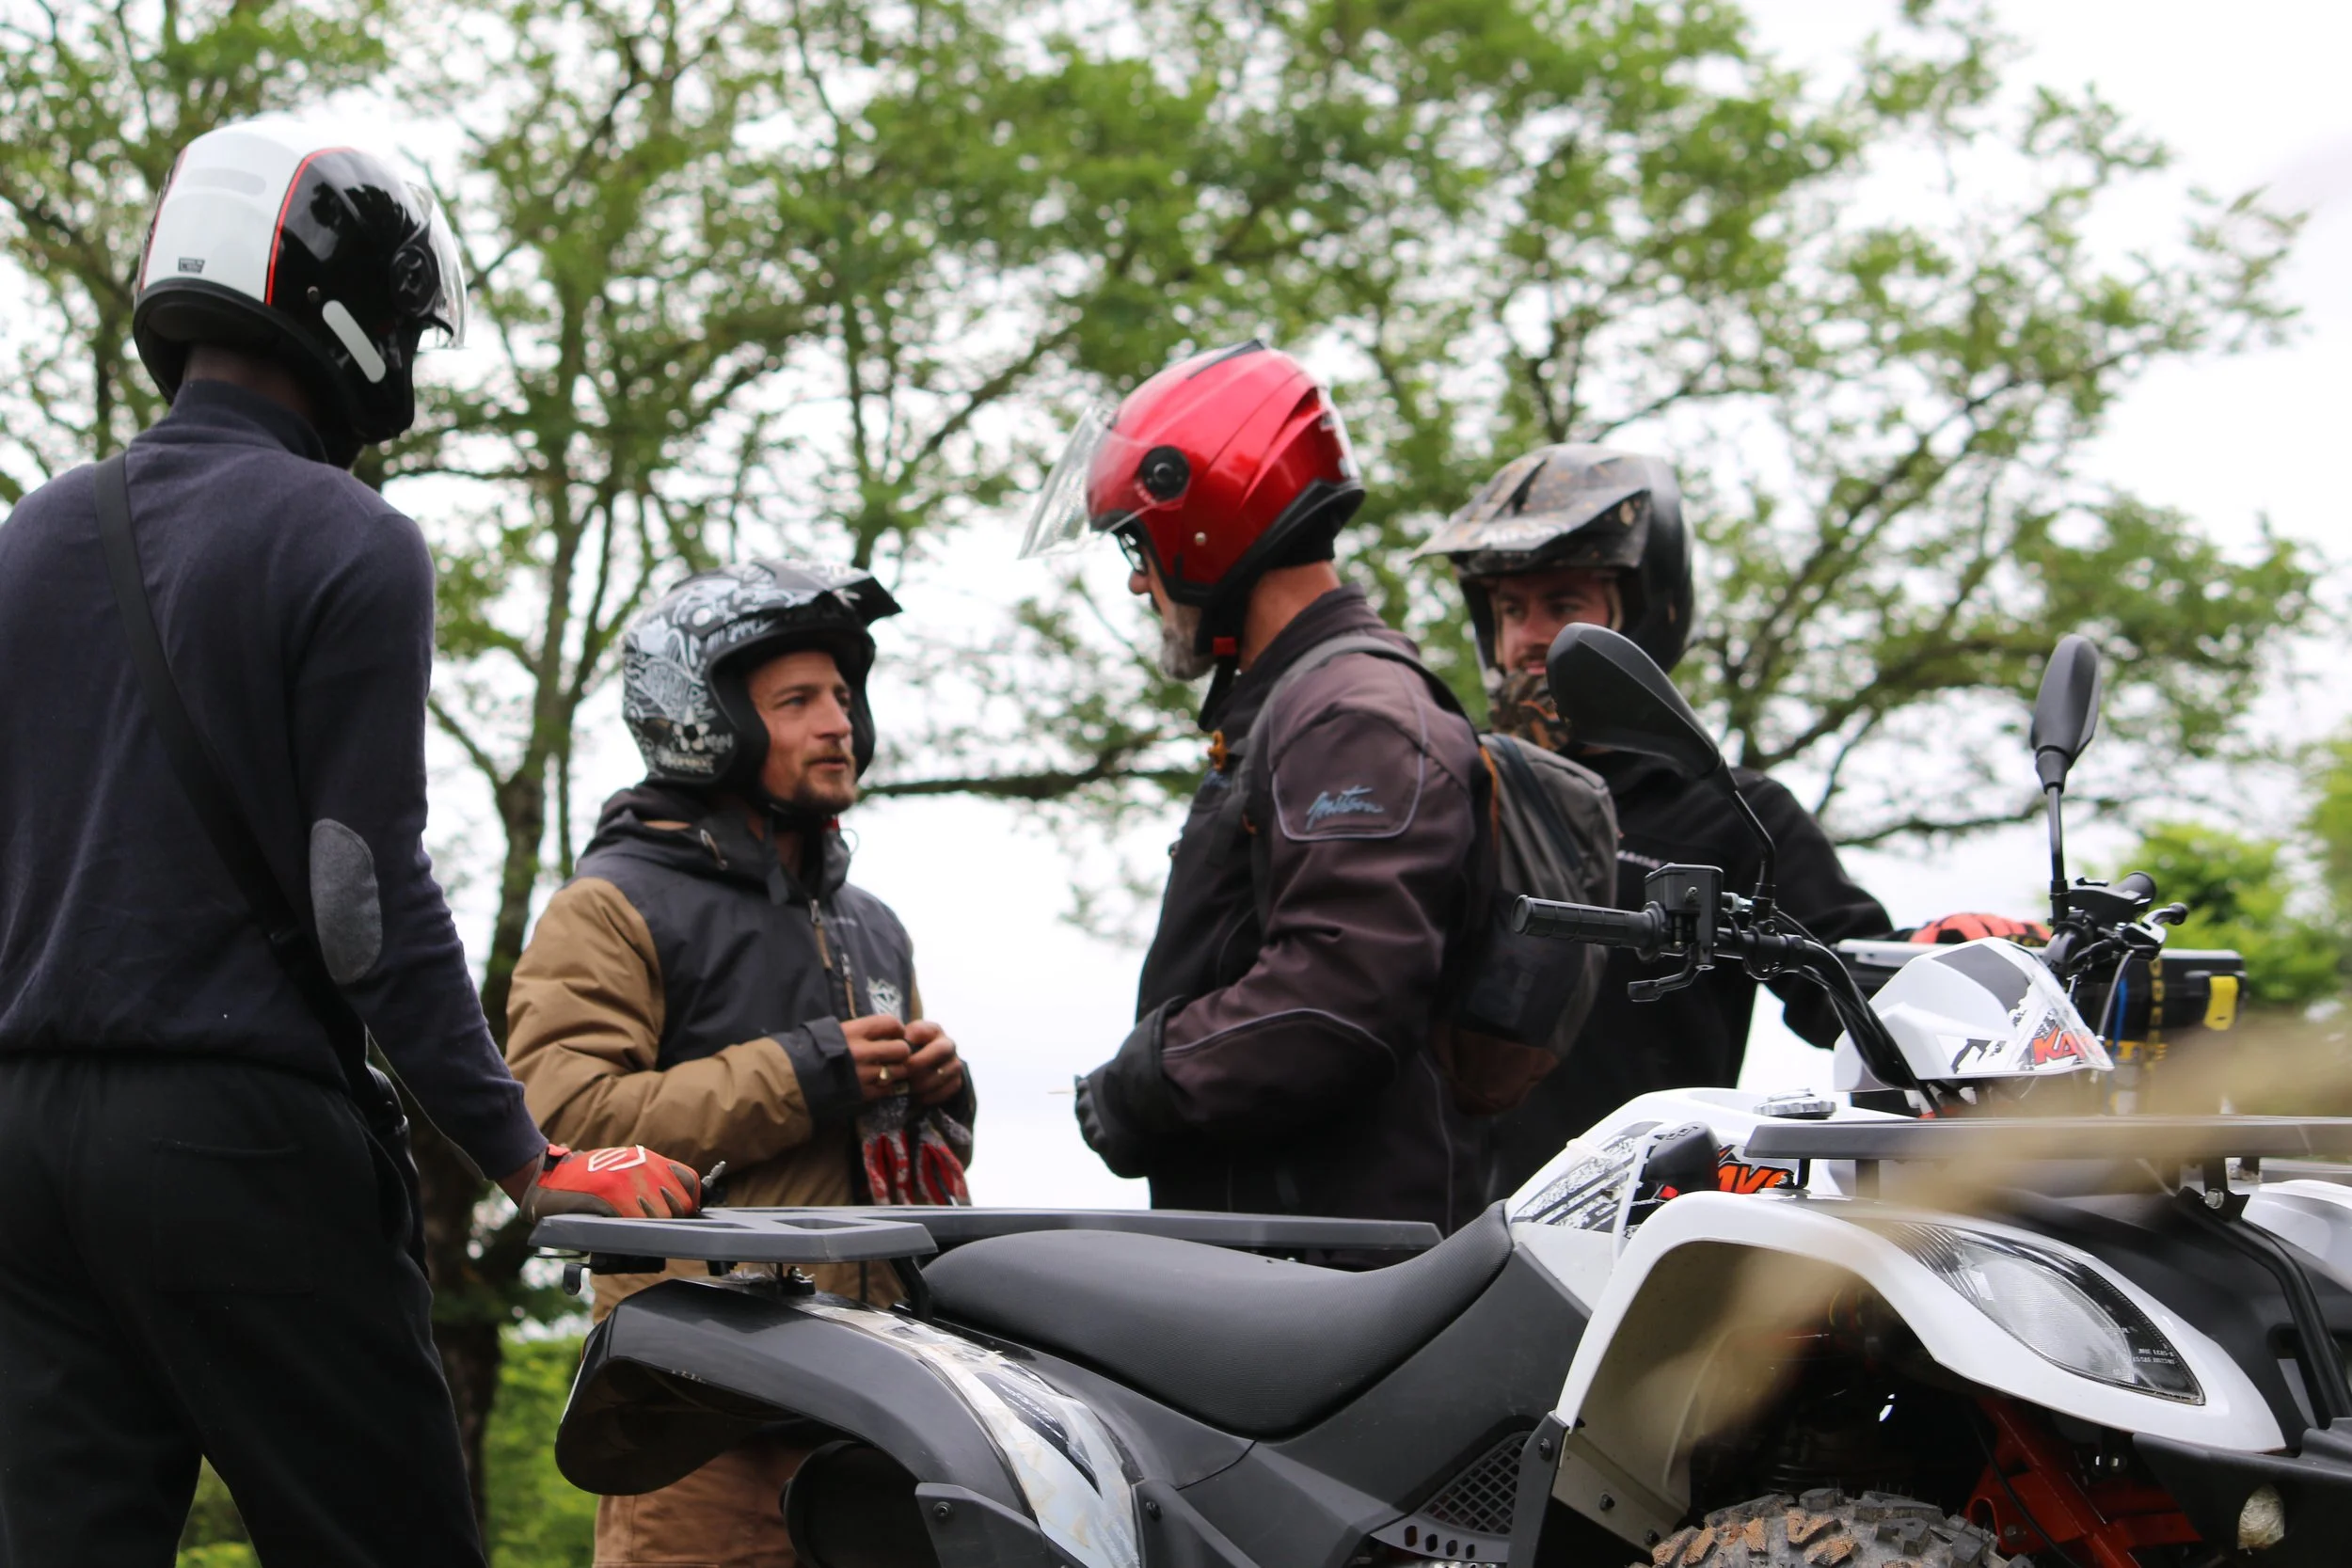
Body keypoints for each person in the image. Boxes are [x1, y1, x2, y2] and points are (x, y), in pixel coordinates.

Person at [0, 119, 701, 1568]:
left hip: (22, 1141)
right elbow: (356, 895)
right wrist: (525, 1150)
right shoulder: (347, 536)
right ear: (356, 317)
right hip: (233, 1133)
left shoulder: (28, 537)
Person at [505, 559, 973, 1568]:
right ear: (702, 715)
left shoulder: (872, 925)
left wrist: (941, 1095)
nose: (838, 722)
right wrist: (804, 1071)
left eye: (843, 696)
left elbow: (892, 1156)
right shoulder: (609, 906)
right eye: (797, 700)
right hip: (699, 1420)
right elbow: (559, 1126)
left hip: (879, 1412)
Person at [1029, 341, 1490, 1235]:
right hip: (1288, 1257)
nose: (1137, 578)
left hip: (1333, 1275)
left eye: (1138, 541)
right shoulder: (1301, 703)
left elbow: (1338, 996)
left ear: (1204, 521)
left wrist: (1144, 1081)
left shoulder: (1354, 712)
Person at [1416, 444, 1895, 1198]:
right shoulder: (1450, 792)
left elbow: (1858, 990)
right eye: (1511, 609)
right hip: (1435, 1239)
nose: (1529, 636)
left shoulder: (1728, 811)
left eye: (1563, 605)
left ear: (1641, 613)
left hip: (1635, 1233)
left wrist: (1960, 959)